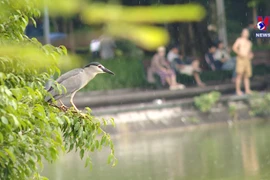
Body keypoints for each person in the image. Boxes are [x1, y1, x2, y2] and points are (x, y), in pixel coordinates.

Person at [232, 28, 253, 95]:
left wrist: (251, 55)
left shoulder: (249, 42)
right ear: (242, 33)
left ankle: (247, 90)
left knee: (247, 76)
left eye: (246, 32)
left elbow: (249, 52)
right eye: (244, 32)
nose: (245, 34)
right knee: (239, 75)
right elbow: (234, 48)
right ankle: (238, 90)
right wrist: (240, 54)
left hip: (247, 60)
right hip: (240, 59)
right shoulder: (239, 40)